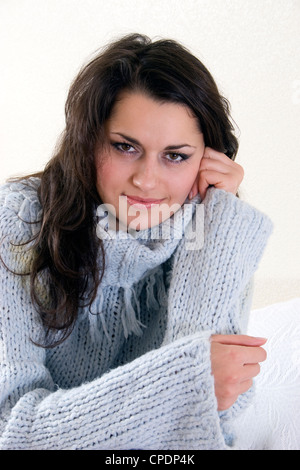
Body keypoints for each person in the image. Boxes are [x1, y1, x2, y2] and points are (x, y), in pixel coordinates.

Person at [0, 34, 272, 450]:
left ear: (208, 159)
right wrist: (180, 384)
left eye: (175, 155)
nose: (146, 180)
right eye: (125, 147)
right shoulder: (17, 224)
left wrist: (220, 217)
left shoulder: (215, 230)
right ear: (88, 140)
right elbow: (13, 431)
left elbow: (217, 407)